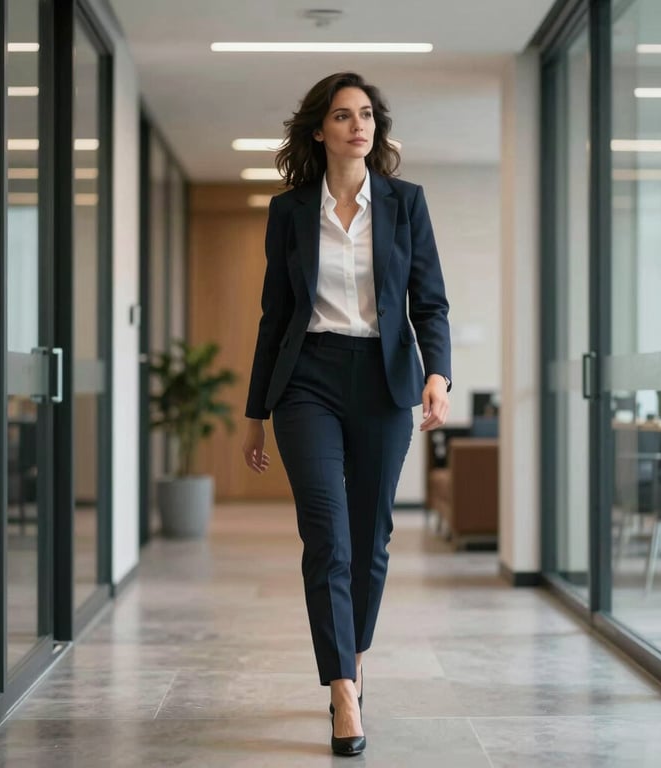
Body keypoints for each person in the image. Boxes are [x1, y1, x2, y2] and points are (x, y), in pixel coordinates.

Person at [241, 72, 451, 757]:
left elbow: (430, 303)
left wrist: (438, 374)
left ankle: (352, 654)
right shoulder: (290, 211)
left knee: (372, 537)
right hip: (308, 381)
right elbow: (276, 316)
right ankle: (342, 690)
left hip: (384, 380)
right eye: (342, 115)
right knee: (327, 534)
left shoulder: (405, 203)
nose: (358, 125)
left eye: (366, 115)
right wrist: (255, 412)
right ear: (319, 131)